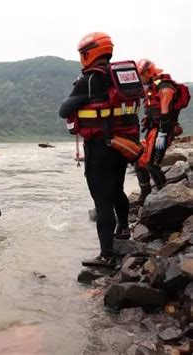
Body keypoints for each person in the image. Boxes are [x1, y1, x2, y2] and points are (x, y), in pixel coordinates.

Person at [59, 32, 144, 267]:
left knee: (102, 201)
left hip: (100, 147)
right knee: (117, 189)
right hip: (123, 145)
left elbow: (64, 109)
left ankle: (106, 255)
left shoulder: (89, 79)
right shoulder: (123, 77)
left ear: (89, 53)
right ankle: (124, 229)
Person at [135, 59, 190, 205]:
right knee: (139, 161)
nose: (140, 79)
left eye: (141, 76)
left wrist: (163, 134)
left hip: (163, 131)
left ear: (148, 73)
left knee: (151, 164)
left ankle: (164, 196)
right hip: (153, 130)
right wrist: (148, 118)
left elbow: (165, 115)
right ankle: (145, 194)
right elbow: (153, 109)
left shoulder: (164, 87)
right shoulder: (150, 88)